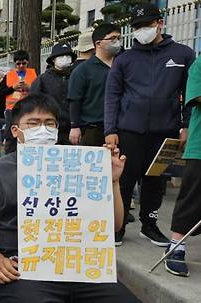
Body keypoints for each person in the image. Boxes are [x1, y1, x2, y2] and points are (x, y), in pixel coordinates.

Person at [0, 93, 135, 303]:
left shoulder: (81, 167)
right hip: (24, 268)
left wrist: (113, 181)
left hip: (81, 267)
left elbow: (114, 226)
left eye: (49, 123)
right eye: (33, 123)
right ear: (16, 131)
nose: (43, 130)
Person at [105, 3, 195, 246]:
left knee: (156, 179)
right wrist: (110, 130)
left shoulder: (183, 54)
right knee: (124, 180)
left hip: (165, 130)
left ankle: (150, 224)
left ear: (159, 24)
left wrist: (186, 125)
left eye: (146, 25)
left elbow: (189, 94)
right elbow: (112, 96)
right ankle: (118, 226)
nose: (141, 30)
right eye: (136, 27)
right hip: (129, 130)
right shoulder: (124, 59)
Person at [165, 56, 201, 277]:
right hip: (200, 146)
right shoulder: (200, 64)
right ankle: (176, 247)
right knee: (192, 197)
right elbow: (196, 96)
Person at [68, 24, 121, 147]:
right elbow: (75, 99)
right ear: (98, 43)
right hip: (93, 129)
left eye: (119, 38)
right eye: (112, 38)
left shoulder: (122, 65)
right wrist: (74, 126)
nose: (117, 42)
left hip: (120, 127)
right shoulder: (83, 70)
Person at [30, 42, 76, 144]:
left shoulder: (77, 77)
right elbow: (33, 103)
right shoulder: (42, 80)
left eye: (68, 56)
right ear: (53, 59)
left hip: (74, 130)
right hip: (49, 129)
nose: (64, 58)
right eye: (61, 56)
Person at [0, 50, 38, 126]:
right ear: (15, 63)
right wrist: (12, 88)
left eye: (24, 63)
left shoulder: (34, 74)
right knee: (11, 131)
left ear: (28, 62)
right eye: (18, 64)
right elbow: (1, 92)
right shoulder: (8, 75)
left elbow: (40, 91)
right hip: (12, 109)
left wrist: (29, 88)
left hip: (30, 108)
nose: (21, 65)